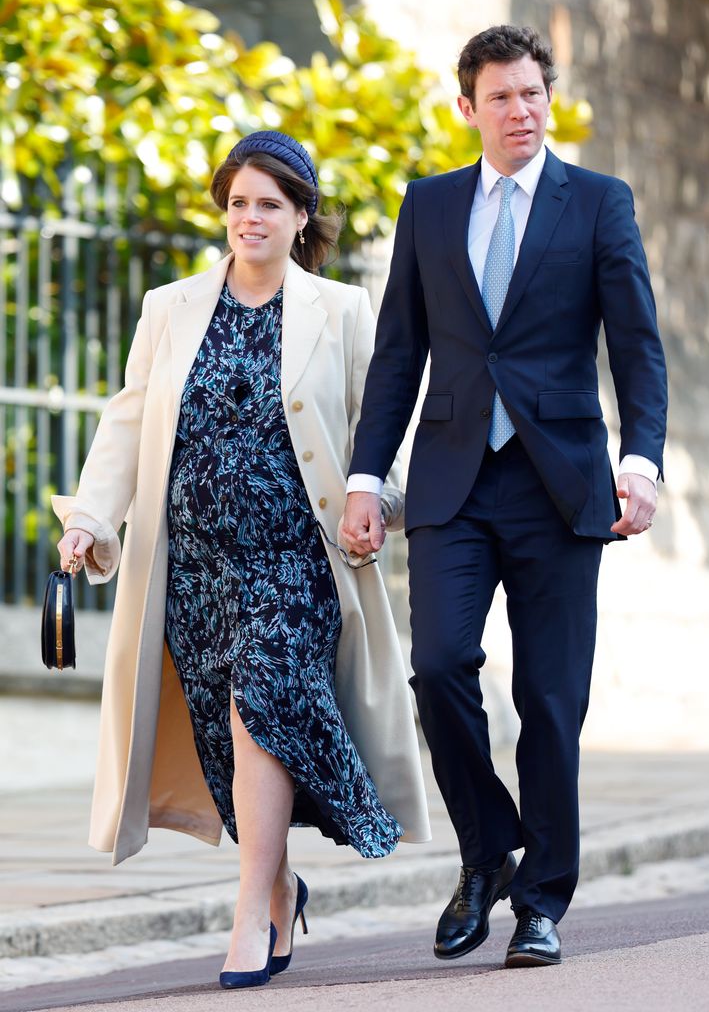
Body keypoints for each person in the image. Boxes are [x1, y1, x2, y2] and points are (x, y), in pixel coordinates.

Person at [53, 130, 430, 990]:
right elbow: (126, 421)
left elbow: (382, 423)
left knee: (261, 704)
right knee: (226, 743)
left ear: (301, 217)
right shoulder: (170, 307)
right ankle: (278, 886)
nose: (249, 219)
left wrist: (387, 499)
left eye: (268, 204)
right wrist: (90, 519)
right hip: (194, 564)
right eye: (236, 203)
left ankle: (244, 920)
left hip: (296, 559)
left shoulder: (339, 309)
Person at [342, 25, 667, 968]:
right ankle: (486, 852)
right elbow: (399, 352)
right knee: (440, 667)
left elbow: (637, 347)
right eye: (502, 98)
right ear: (466, 108)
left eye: (533, 94)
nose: (521, 112)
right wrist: (368, 476)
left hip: (562, 486)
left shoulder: (599, 204)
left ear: (546, 98)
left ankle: (539, 901)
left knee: (550, 699)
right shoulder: (430, 206)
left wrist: (639, 462)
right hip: (452, 482)